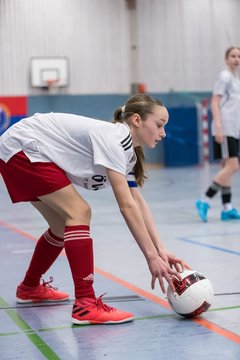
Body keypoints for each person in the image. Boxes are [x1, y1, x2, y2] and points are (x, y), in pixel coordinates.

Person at [0, 94, 190, 325]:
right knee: (79, 212)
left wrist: (160, 250)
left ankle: (29, 287)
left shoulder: (127, 153)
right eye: (159, 125)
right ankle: (85, 304)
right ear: (137, 120)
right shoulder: (114, 138)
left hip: (18, 148)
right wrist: (150, 257)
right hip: (24, 145)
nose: (163, 133)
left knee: (61, 226)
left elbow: (137, 201)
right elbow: (126, 206)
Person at [196, 46, 240, 222]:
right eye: (233, 56)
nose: (236, 59)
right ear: (226, 59)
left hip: (234, 129)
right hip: (225, 128)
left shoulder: (236, 80)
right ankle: (204, 200)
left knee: (226, 168)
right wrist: (219, 127)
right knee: (233, 167)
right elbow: (214, 102)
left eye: (239, 56)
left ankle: (227, 208)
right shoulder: (224, 77)